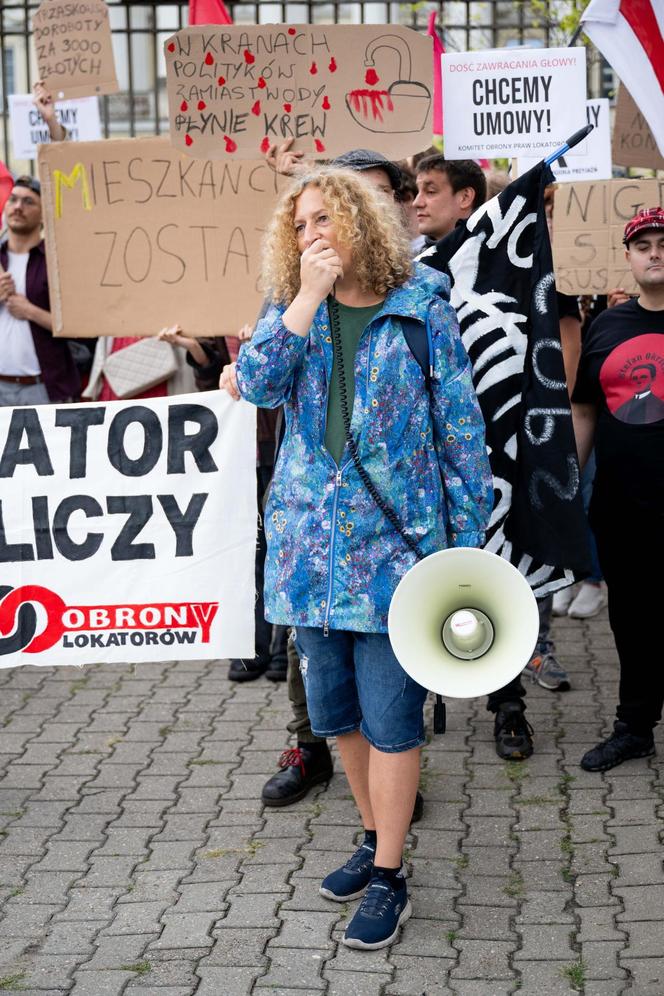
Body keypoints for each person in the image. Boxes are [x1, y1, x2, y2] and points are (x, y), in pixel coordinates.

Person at [221, 166, 492, 949]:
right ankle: (375, 841)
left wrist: (463, 550)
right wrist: (302, 300)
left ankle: (390, 876)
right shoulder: (290, 315)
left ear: (361, 224)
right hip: (309, 554)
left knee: (393, 720)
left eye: (325, 220)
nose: (312, 236)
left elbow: (462, 435)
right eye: (300, 225)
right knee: (336, 716)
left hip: (398, 559)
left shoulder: (421, 313)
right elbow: (263, 387)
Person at [572, 206, 664, 772]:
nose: (655, 252)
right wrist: (565, 485)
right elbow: (584, 410)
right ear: (628, 258)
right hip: (623, 505)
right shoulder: (606, 326)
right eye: (644, 244)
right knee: (631, 617)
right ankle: (634, 727)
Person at [158, 323, 288, 683]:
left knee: (284, 547)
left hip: (280, 447)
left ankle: (282, 648)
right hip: (237, 450)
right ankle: (251, 647)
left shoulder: (285, 311)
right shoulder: (220, 315)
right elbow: (208, 380)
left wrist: (259, 351)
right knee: (248, 549)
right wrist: (192, 347)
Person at [0, 175, 79, 406]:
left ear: (45, 215)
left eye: (28, 202)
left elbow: (79, 329)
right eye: (13, 199)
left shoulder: (57, 262)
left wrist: (30, 311)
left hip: (43, 388)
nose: (17, 207)